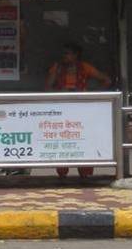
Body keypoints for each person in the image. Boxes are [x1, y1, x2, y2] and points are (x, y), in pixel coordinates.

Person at [44, 42, 112, 178]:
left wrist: (91, 94)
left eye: (67, 53)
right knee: (63, 141)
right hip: (62, 111)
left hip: (83, 111)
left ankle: (85, 174)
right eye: (63, 53)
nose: (64, 56)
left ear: (76, 55)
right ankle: (62, 174)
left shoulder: (84, 67)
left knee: (85, 140)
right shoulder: (57, 68)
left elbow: (106, 80)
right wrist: (60, 92)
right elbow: (47, 88)